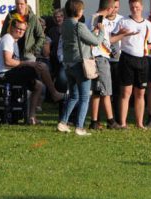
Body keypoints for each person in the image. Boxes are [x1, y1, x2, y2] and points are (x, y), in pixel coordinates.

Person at [0, 18, 55, 124]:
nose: (21, 31)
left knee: (39, 86)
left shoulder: (14, 41)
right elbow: (8, 62)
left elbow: (15, 62)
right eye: (18, 29)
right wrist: (28, 63)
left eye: (23, 30)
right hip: (2, 74)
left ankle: (31, 117)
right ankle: (54, 93)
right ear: (12, 28)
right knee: (41, 66)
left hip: (10, 73)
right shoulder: (8, 38)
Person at [57, 0, 102, 137]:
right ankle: (80, 127)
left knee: (73, 96)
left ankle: (63, 122)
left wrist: (91, 32)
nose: (82, 11)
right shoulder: (79, 25)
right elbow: (96, 42)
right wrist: (101, 32)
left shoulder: (64, 25)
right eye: (81, 9)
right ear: (77, 11)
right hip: (80, 65)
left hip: (68, 64)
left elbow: (81, 38)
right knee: (84, 97)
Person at [116, 0, 151, 129]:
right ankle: (122, 123)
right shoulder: (123, 21)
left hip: (142, 60)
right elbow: (113, 37)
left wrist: (144, 49)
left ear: (142, 7)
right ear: (129, 7)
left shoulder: (148, 24)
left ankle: (139, 123)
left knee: (140, 93)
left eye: (137, 7)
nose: (135, 9)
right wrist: (122, 34)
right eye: (132, 7)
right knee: (126, 93)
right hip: (127, 59)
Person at [88, 0, 119, 130]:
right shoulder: (98, 19)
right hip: (100, 57)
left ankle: (94, 121)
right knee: (106, 91)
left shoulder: (93, 17)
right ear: (109, 8)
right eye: (113, 8)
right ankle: (111, 121)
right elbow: (93, 37)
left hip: (98, 56)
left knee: (97, 91)